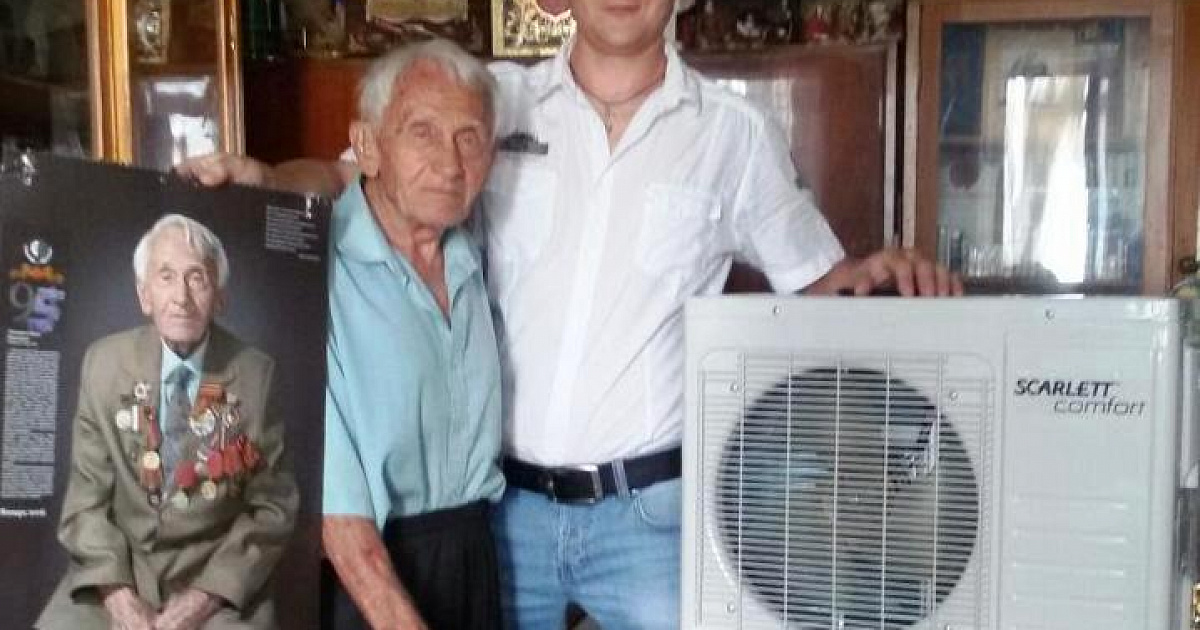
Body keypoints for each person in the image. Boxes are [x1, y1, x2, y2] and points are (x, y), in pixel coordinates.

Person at [181, 2, 963, 627]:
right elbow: (350, 174)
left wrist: (880, 274)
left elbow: (818, 291)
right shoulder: (490, 100)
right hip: (503, 516)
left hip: (654, 519)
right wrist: (265, 178)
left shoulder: (736, 136)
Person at [317, 40, 506, 630]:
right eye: (422, 131)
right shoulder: (316, 272)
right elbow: (337, 516)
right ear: (368, 146)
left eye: (469, 137)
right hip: (368, 576)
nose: (450, 164)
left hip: (474, 555)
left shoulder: (471, 253)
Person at [37, 214, 298, 630]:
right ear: (144, 295)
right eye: (166, 276)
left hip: (213, 582)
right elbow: (85, 502)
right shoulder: (103, 364)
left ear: (220, 296)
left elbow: (272, 510)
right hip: (117, 573)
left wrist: (205, 598)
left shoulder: (256, 376)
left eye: (197, 278)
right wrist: (118, 595)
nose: (181, 297)